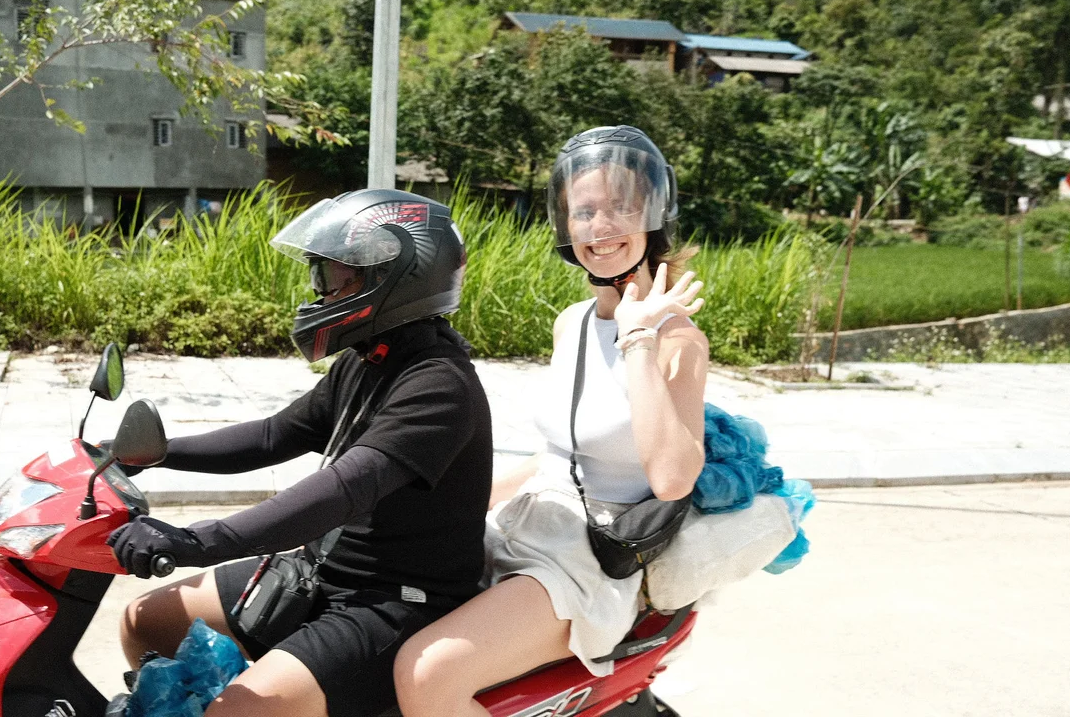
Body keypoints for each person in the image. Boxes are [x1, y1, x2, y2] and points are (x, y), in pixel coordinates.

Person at [108, 189, 494, 717]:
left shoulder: (438, 386)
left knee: (233, 713)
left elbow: (340, 492)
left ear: (395, 279)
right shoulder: (368, 359)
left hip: (392, 601)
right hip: (320, 571)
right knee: (144, 621)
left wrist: (195, 541)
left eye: (336, 277)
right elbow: (274, 436)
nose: (321, 292)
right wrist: (149, 454)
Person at [394, 125, 709, 715]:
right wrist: (451, 504)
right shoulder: (572, 322)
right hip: (528, 522)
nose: (600, 226)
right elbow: (559, 460)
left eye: (620, 207)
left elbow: (672, 479)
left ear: (654, 216)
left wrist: (639, 338)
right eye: (584, 212)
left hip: (587, 563)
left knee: (427, 673)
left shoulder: (678, 342)